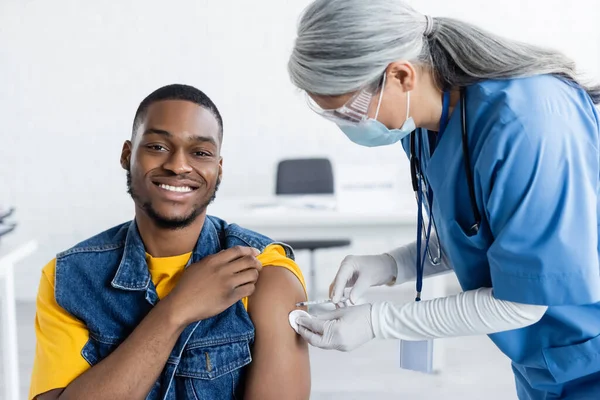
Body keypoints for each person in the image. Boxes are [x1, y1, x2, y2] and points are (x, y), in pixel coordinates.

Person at [287, 0, 600, 398]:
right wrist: (391, 264)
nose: (350, 127)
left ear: (401, 75)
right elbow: (482, 232)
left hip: (588, 352)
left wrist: (377, 322)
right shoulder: (422, 126)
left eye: (350, 112)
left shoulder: (529, 124)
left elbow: (525, 300)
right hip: (545, 363)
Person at [29, 84, 311, 400]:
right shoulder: (68, 278)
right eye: (158, 147)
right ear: (127, 155)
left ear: (218, 170)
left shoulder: (265, 272)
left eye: (201, 152)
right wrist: (176, 310)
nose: (178, 166)